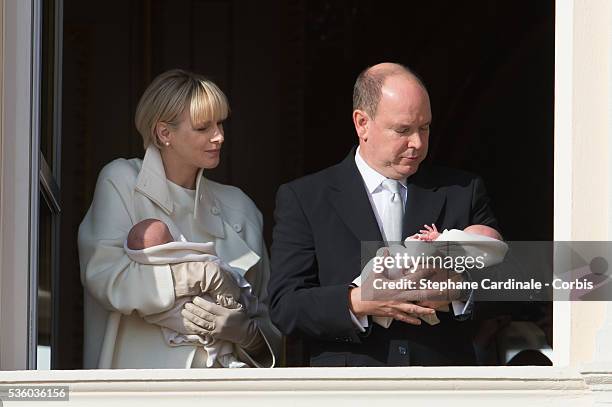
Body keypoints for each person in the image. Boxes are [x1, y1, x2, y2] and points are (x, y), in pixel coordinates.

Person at [269, 62, 500, 366]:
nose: (417, 143)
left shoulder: (462, 190)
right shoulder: (306, 198)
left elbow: (514, 283)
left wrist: (457, 291)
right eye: (403, 130)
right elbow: (286, 307)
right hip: (350, 389)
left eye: (425, 127)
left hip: (442, 385)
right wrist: (360, 301)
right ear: (362, 123)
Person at [78, 69, 280, 369]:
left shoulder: (241, 207)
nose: (219, 136)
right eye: (203, 127)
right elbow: (107, 277)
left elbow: (271, 325)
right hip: (140, 388)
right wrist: (195, 275)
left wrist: (248, 336)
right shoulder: (121, 181)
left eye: (220, 123)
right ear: (164, 133)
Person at [124, 218, 259, 368]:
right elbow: (110, 276)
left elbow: (267, 318)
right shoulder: (123, 197)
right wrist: (194, 274)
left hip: (222, 370)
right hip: (153, 364)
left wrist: (252, 338)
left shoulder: (246, 212)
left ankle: (226, 355)